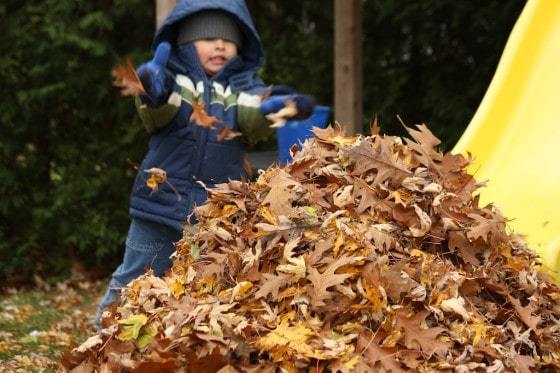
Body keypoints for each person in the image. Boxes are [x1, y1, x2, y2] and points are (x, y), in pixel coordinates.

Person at [96, 0, 314, 328]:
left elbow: (253, 117)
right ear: (185, 42)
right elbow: (159, 111)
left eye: (228, 39)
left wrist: (279, 106)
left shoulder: (243, 91)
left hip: (213, 218)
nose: (220, 45)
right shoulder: (174, 84)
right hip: (158, 209)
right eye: (208, 38)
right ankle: (103, 336)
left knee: (202, 289)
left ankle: (181, 343)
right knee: (133, 278)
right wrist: (154, 89)